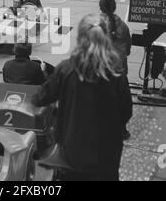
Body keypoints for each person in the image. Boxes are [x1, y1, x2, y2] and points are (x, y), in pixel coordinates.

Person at [32, 14, 132, 181]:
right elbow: (126, 112)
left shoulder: (65, 69)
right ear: (105, 38)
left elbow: (41, 98)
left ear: (80, 38)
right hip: (107, 156)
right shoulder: (117, 72)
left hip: (73, 154)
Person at [99, 0, 131, 75]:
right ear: (114, 8)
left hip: (100, 71)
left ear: (100, 7)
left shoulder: (94, 25)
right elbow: (127, 51)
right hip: (120, 71)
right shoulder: (124, 26)